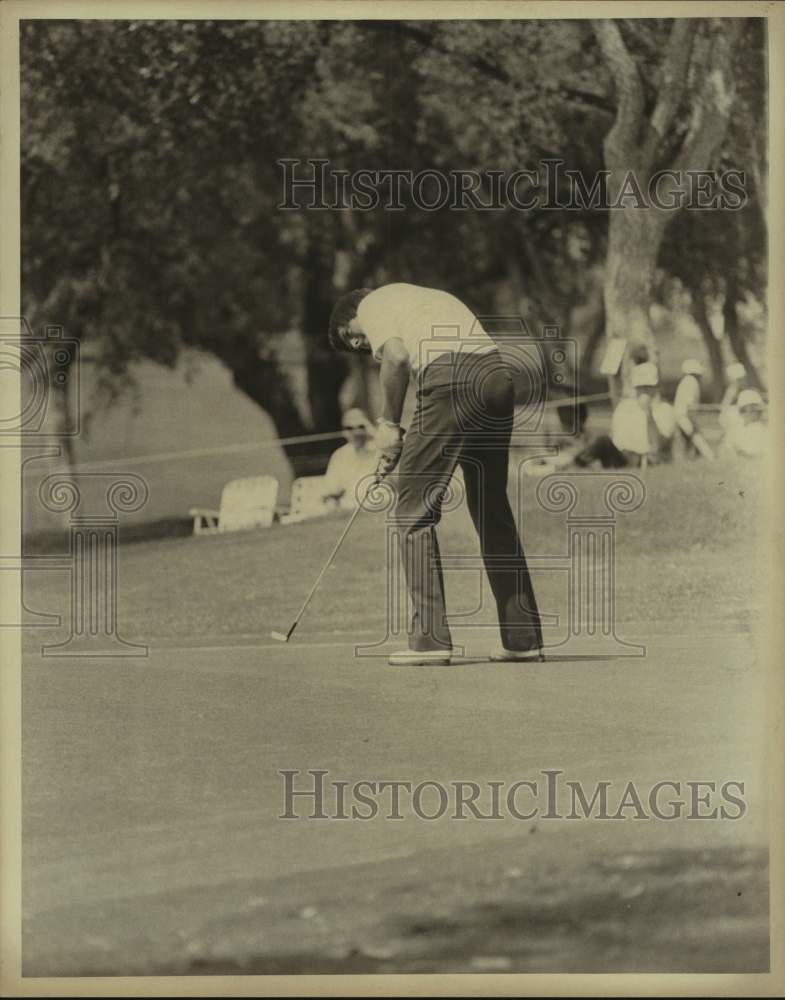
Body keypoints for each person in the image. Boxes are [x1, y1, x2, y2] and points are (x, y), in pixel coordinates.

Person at [328, 283, 543, 667]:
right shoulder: (421, 297)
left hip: (451, 381)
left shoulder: (373, 303)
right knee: (490, 508)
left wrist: (389, 426)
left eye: (355, 340)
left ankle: (430, 640)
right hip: (496, 380)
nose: (364, 347)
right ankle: (523, 638)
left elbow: (395, 358)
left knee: (411, 510)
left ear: (350, 320)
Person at [574, 362, 676, 469]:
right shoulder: (625, 407)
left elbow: (657, 446)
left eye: (648, 387)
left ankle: (575, 464)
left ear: (657, 388)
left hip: (646, 459)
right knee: (602, 442)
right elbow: (616, 438)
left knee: (602, 443)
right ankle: (575, 463)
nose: (644, 391)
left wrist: (648, 413)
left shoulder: (665, 410)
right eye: (640, 387)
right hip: (623, 456)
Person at [321, 407, 378, 511]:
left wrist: (375, 435)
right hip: (351, 510)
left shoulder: (381, 450)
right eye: (349, 428)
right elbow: (331, 492)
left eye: (361, 427)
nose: (356, 432)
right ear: (343, 431)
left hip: (380, 506)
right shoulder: (340, 455)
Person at [673, 359, 714, 460]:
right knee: (695, 435)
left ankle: (694, 456)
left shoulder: (686, 381)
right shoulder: (691, 382)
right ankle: (709, 456)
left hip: (683, 415)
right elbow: (689, 404)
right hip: (684, 416)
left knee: (690, 438)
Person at [720, 388, 767, 458]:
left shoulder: (760, 429)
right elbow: (724, 450)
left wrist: (739, 451)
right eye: (744, 410)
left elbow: (757, 454)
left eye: (754, 409)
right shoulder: (737, 427)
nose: (749, 413)